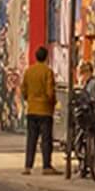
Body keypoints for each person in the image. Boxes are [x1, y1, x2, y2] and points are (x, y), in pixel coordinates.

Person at [20, 45, 57, 175]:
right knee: (46, 140)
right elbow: (50, 92)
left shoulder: (29, 72)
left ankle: (28, 166)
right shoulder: (48, 72)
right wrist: (52, 103)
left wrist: (29, 99)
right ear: (46, 57)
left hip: (32, 109)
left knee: (31, 139)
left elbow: (23, 89)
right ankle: (46, 166)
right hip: (45, 110)